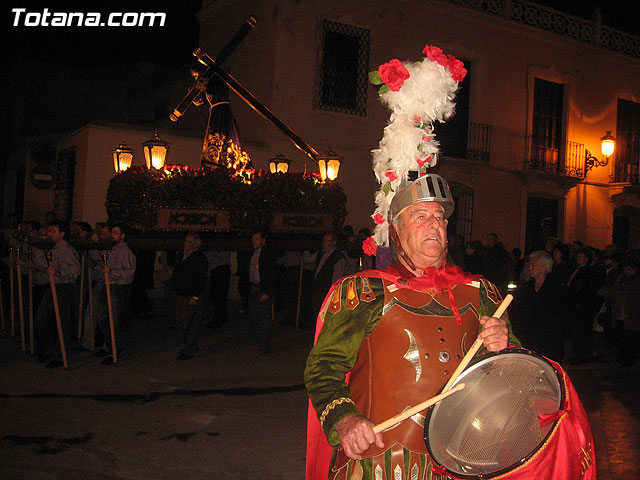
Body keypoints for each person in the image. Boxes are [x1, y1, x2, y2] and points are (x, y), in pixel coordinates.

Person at [304, 173, 519, 480]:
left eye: (440, 218)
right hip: (382, 461)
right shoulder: (364, 290)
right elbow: (323, 366)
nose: (434, 225)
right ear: (396, 230)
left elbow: (517, 373)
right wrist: (345, 419)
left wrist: (504, 346)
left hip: (464, 458)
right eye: (420, 216)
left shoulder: (482, 293)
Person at [33, 221, 81, 368]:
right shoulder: (53, 248)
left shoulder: (66, 249)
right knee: (40, 319)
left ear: (62, 234)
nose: (50, 234)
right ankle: (51, 350)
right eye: (49, 231)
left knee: (61, 321)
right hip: (53, 286)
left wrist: (60, 273)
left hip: (64, 287)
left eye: (53, 231)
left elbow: (76, 269)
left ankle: (60, 356)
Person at [510, 250, 570, 361]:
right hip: (528, 339)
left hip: (548, 342)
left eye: (533, 265)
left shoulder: (557, 289)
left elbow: (561, 318)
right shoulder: (526, 288)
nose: (529, 268)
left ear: (543, 268)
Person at [98, 223, 136, 365]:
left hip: (116, 288)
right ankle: (109, 346)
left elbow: (129, 273)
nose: (112, 235)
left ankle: (114, 350)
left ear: (122, 235)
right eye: (112, 232)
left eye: (115, 233)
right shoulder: (113, 250)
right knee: (103, 320)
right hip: (107, 286)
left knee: (113, 321)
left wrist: (112, 272)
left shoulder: (126, 252)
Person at [170, 233, 208, 360]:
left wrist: (195, 296)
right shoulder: (180, 256)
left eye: (188, 242)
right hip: (180, 293)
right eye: (185, 241)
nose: (185, 244)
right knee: (180, 320)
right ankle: (190, 344)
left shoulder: (200, 259)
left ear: (195, 244)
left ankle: (188, 348)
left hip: (191, 295)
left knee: (190, 322)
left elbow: (201, 279)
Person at [304, 232, 346, 329]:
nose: (324, 243)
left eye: (327, 240)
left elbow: (337, 277)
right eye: (324, 240)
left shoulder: (338, 257)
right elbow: (307, 260)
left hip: (327, 291)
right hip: (318, 289)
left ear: (334, 242)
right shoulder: (321, 254)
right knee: (317, 315)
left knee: (326, 318)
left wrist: (332, 293)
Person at [247, 230, 278, 354]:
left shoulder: (268, 253)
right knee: (254, 316)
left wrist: (267, 291)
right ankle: (258, 342)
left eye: (257, 239)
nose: (254, 242)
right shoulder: (252, 253)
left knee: (264, 318)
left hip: (263, 288)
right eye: (253, 239)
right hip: (253, 286)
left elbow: (271, 274)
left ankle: (264, 345)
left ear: (263, 240)